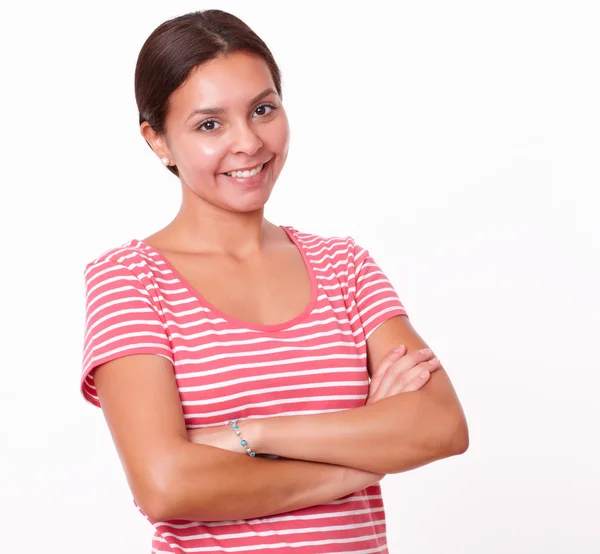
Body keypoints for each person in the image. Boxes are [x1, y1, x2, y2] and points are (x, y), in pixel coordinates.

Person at [80, 9, 469, 553]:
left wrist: (255, 434)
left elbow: (442, 426)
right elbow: (166, 485)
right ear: (159, 141)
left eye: (263, 110)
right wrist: (356, 464)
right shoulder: (130, 280)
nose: (248, 142)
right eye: (209, 124)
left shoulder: (344, 267)